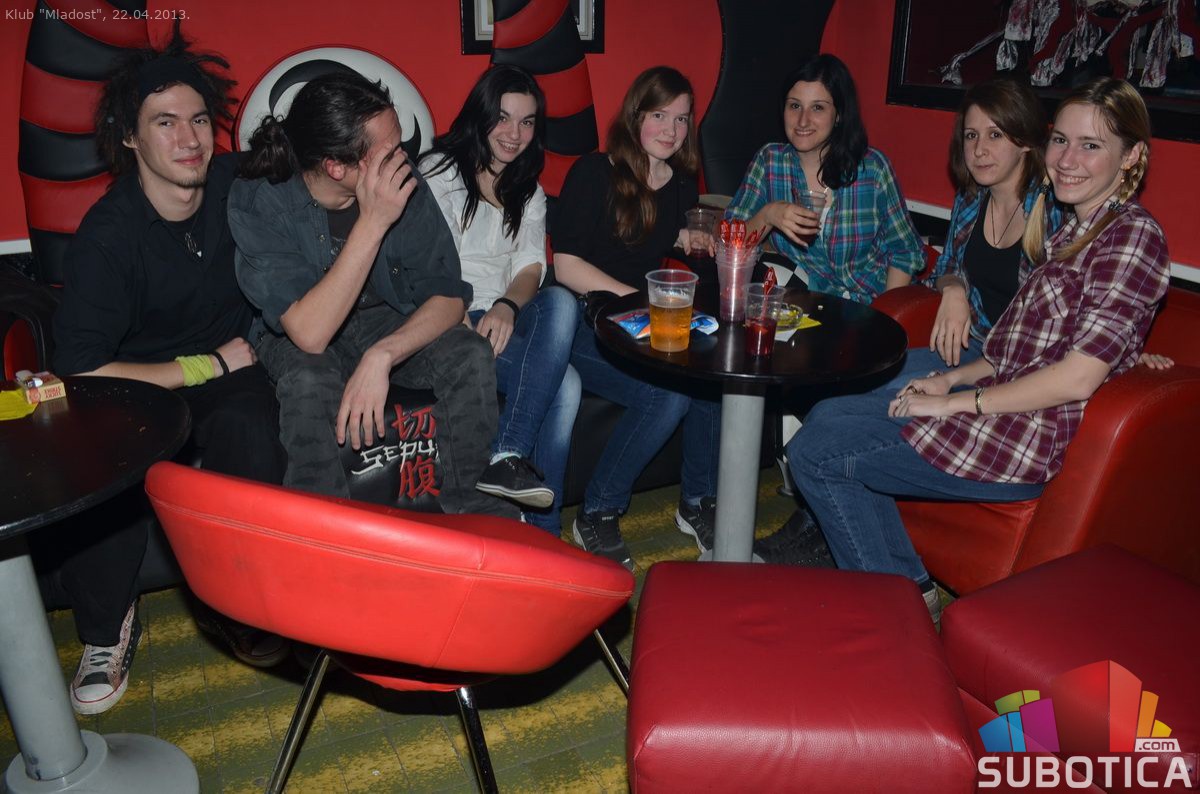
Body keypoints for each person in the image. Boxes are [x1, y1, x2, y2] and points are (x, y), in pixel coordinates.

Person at [787, 77, 1170, 623]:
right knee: (828, 415)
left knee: (817, 453)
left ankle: (895, 615)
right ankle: (908, 590)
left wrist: (951, 402)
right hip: (993, 399)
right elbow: (1015, 347)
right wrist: (948, 378)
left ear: (1131, 156)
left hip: (1021, 436)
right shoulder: (1074, 232)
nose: (1067, 160)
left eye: (1091, 145)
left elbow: (1078, 377)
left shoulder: (1130, 235)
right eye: (1061, 140)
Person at [50, 32, 289, 715]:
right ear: (130, 137)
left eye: (197, 119)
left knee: (253, 423)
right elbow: (82, 371)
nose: (188, 140)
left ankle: (244, 605)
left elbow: (312, 180)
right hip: (135, 383)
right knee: (110, 463)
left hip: (230, 367)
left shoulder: (235, 185)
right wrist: (203, 365)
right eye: (164, 123)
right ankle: (105, 630)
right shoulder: (109, 236)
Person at [230, 73, 515, 518]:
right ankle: (324, 528)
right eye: (390, 151)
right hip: (300, 326)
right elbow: (309, 334)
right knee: (309, 380)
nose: (404, 158)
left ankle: (469, 512)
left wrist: (383, 355)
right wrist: (374, 221)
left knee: (470, 353)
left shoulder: (403, 178)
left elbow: (449, 296)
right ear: (337, 168)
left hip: (385, 318)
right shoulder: (260, 198)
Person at [552, 66, 721, 570]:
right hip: (583, 320)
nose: (671, 129)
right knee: (666, 396)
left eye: (682, 119)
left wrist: (684, 238)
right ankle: (597, 513)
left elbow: (647, 233)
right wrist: (642, 300)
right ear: (635, 115)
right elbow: (566, 265)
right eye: (659, 115)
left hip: (639, 323)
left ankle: (697, 503)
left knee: (711, 374)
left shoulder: (680, 184)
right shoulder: (593, 172)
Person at [419, 66, 579, 535]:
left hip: (507, 309)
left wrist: (507, 306)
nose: (514, 134)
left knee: (562, 302)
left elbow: (530, 268)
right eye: (504, 118)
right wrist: (466, 332)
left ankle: (507, 452)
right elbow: (435, 268)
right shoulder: (439, 171)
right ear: (481, 115)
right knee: (566, 385)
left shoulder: (527, 188)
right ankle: (543, 530)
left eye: (527, 122)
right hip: (453, 312)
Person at [725, 54, 924, 304]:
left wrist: (884, 317)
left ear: (838, 114)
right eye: (794, 106)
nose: (803, 120)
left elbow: (905, 252)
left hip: (873, 302)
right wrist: (768, 215)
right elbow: (729, 242)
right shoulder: (770, 162)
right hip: (814, 305)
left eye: (817, 107)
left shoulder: (872, 169)